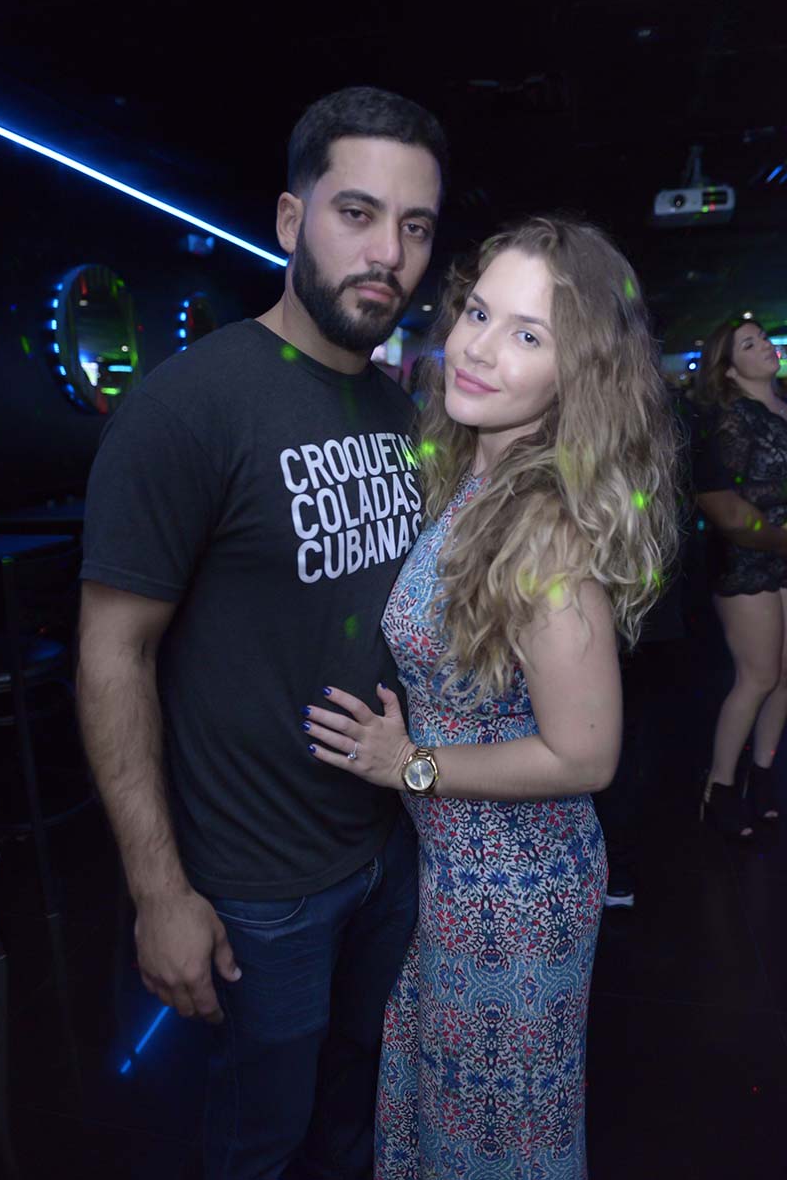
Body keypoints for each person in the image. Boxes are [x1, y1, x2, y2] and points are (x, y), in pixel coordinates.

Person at [76, 86, 446, 1180]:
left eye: (414, 226)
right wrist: (159, 892)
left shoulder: (399, 415)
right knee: (258, 1135)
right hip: (258, 885)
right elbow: (113, 654)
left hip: (385, 848)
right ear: (291, 220)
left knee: (354, 1109)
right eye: (357, 214)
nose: (387, 254)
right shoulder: (188, 407)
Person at [302, 216, 678, 1178]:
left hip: (517, 892)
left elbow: (586, 754)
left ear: (575, 373)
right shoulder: (474, 479)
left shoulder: (545, 525)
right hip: (458, 874)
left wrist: (410, 764)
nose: (478, 348)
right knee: (451, 1120)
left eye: (527, 334)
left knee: (497, 1140)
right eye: (477, 313)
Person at [693, 317, 787, 837]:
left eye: (764, 338)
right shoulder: (733, 418)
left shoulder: (783, 407)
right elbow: (726, 504)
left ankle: (763, 774)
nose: (766, 347)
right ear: (729, 370)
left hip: (782, 552)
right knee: (758, 676)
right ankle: (720, 786)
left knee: (785, 676)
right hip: (747, 558)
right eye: (750, 344)